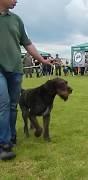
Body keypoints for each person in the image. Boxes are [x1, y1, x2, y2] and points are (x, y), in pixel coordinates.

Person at [0, 0, 52, 160]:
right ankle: (4, 144)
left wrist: (42, 60)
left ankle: (12, 136)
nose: (17, 1)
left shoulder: (16, 20)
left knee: (13, 106)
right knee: (3, 103)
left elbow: (27, 44)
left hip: (15, 69)